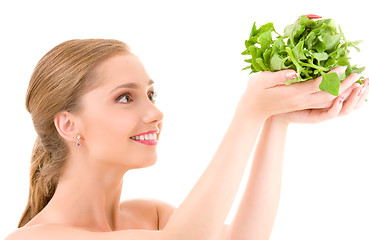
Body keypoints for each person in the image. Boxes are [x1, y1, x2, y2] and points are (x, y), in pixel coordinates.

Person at [5, 38, 368, 240]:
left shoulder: (152, 215)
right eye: (125, 97)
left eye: (151, 95)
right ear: (68, 124)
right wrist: (249, 111)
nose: (154, 113)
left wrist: (275, 119)